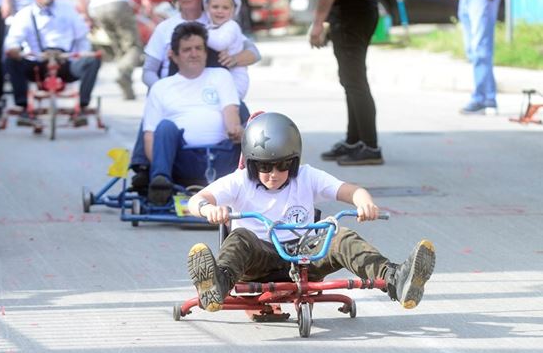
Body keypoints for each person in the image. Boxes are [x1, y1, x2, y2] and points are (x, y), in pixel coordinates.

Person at [185, 111, 436, 312]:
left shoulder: (306, 177)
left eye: (282, 165)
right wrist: (209, 209)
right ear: (251, 163)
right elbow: (196, 200)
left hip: (304, 257)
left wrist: (364, 202)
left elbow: (350, 190)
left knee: (341, 236)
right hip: (258, 258)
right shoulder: (239, 182)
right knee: (239, 238)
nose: (273, 173)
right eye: (264, 166)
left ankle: (396, 279)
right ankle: (216, 285)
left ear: (294, 161)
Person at [132, 0, 260, 191]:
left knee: (246, 118)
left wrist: (235, 58)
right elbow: (148, 70)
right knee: (159, 122)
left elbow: (254, 52)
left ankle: (257, 171)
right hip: (172, 83)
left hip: (216, 85)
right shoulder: (164, 28)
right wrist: (167, 89)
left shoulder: (216, 19)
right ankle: (149, 172)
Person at [309, 0, 383, 166]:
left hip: (349, 14)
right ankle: (355, 140)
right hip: (364, 10)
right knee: (351, 78)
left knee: (354, 80)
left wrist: (318, 22)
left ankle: (371, 146)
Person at [143, 21, 243, 205]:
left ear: (206, 52)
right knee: (165, 127)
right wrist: (159, 165)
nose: (194, 53)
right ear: (174, 55)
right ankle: (160, 186)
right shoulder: (160, 87)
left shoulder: (221, 76)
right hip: (182, 161)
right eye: (187, 49)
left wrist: (235, 130)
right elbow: (150, 137)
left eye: (199, 48)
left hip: (222, 156)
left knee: (254, 127)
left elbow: (231, 112)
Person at [4, 0, 101, 127]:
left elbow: (82, 38)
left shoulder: (68, 9)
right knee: (10, 60)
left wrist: (81, 55)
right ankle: (23, 107)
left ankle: (81, 107)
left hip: (66, 63)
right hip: (37, 64)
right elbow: (12, 40)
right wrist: (14, 49)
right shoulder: (24, 14)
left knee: (92, 60)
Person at [203, 0, 249, 100]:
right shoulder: (208, 27)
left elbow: (220, 44)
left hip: (235, 79)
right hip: (219, 78)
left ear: (234, 10)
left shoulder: (231, 26)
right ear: (207, 7)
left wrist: (198, 31)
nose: (220, 11)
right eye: (215, 7)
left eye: (225, 8)